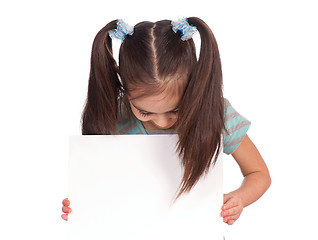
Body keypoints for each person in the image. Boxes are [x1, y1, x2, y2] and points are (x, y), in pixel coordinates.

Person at [61, 17, 271, 226]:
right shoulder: (113, 118)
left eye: (176, 110)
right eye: (145, 112)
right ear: (123, 86)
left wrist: (239, 199)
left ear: (195, 82)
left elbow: (258, 173)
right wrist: (81, 204)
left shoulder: (216, 113)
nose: (162, 122)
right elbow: (99, 184)